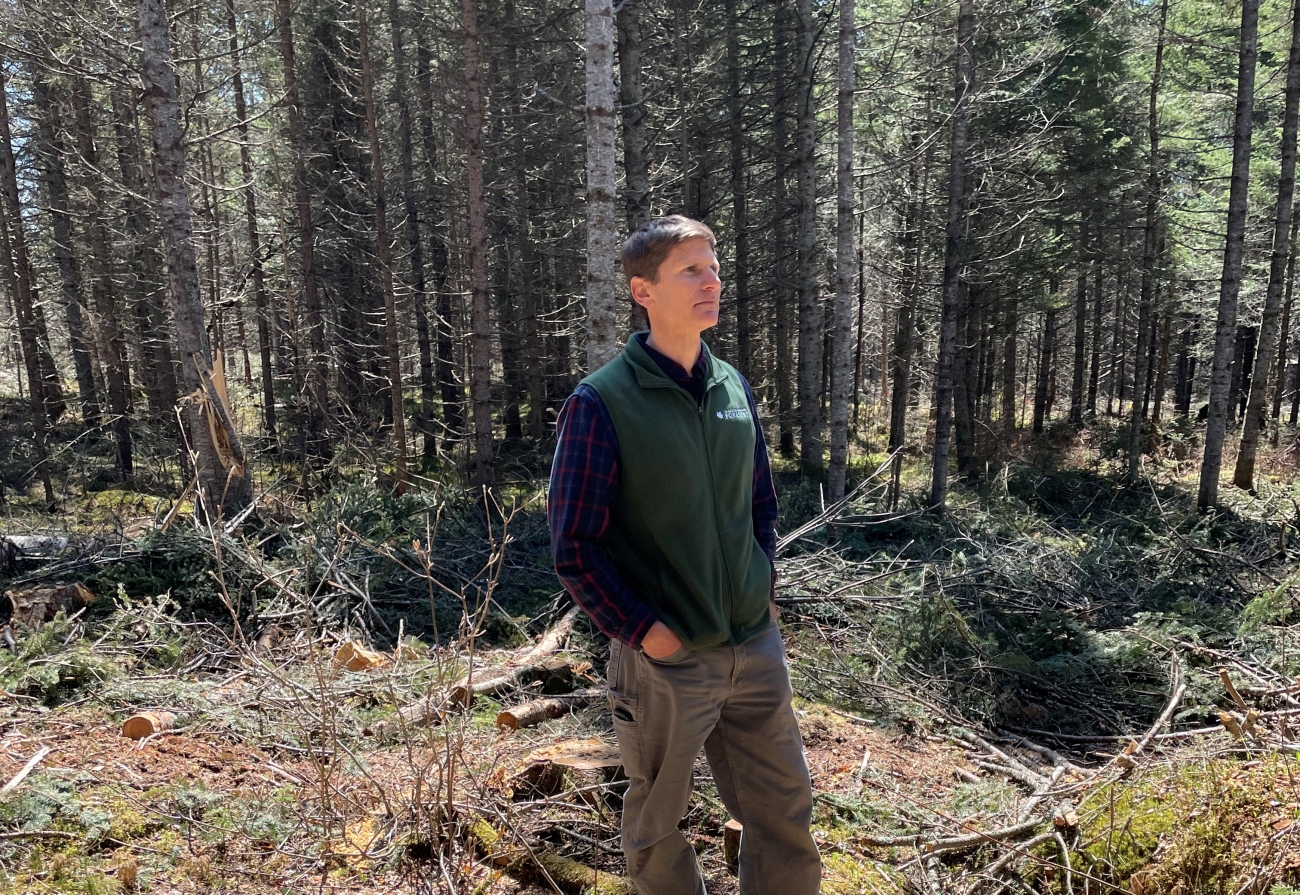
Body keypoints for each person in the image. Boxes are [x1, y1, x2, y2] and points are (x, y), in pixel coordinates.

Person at [548, 215, 821, 895]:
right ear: (643, 291)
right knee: (657, 824)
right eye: (691, 270)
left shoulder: (732, 387)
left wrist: (762, 589)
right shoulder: (601, 402)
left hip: (753, 646)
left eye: (714, 268)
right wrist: (647, 632)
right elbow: (574, 546)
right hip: (667, 661)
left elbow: (759, 504)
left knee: (784, 811)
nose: (712, 282)